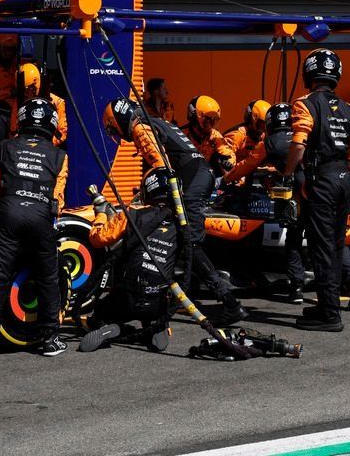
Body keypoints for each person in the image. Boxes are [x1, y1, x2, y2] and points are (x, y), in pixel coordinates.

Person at [103, 97, 247, 324]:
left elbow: (161, 166)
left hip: (192, 179)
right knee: (180, 239)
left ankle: (230, 302)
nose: (118, 135)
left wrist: (145, 197)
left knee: (190, 243)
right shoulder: (155, 121)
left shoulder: (141, 128)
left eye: (114, 129)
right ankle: (182, 295)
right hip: (198, 176)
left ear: (119, 120)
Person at [227, 102, 350, 309]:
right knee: (336, 239)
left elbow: (247, 166)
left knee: (294, 237)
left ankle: (296, 288)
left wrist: (225, 178)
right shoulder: (306, 134)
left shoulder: (269, 141)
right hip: (330, 186)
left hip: (299, 193)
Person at [0, 97, 68, 364]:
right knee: (48, 277)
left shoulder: (3, 147)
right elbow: (58, 200)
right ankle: (50, 339)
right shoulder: (59, 155)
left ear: (22, 119)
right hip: (40, 215)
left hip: (8, 211)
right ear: (52, 122)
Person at [283, 48, 350, 331]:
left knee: (322, 247)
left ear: (308, 74)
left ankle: (330, 315)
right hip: (343, 180)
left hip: (323, 181)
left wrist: (288, 173)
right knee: (336, 245)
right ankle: (328, 305)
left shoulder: (306, 104)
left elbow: (299, 144)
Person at [80, 167, 178, 353]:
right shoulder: (182, 224)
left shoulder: (132, 214)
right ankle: (158, 326)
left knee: (98, 316)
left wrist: (101, 213)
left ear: (149, 189)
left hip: (127, 297)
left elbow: (98, 239)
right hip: (159, 300)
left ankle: (112, 326)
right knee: (158, 301)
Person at [11, 62, 67, 147]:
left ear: (35, 85)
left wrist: (41, 145)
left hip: (49, 147)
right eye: (22, 90)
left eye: (28, 89)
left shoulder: (57, 103)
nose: (25, 93)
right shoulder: (19, 101)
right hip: (24, 146)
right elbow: (13, 129)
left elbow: (61, 133)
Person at [183, 95, 236, 176]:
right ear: (194, 116)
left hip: (204, 177)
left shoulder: (214, 135)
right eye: (207, 119)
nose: (211, 124)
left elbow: (227, 152)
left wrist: (228, 161)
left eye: (214, 120)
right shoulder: (181, 134)